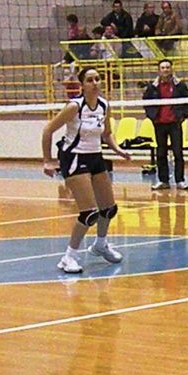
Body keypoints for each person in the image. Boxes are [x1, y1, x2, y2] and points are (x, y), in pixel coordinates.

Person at [41, 67, 129, 274]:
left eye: (97, 79)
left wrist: (118, 149)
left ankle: (100, 245)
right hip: (74, 158)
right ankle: (69, 257)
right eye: (90, 80)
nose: (95, 83)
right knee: (89, 213)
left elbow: (107, 133)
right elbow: (48, 130)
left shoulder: (104, 105)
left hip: (96, 156)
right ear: (82, 84)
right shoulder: (74, 106)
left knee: (108, 209)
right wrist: (47, 161)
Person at [143, 59, 188, 191]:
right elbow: (146, 102)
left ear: (171, 69)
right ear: (159, 70)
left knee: (178, 152)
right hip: (159, 124)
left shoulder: (179, 85)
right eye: (163, 67)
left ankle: (180, 180)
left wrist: (181, 116)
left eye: (167, 67)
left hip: (174, 124)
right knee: (161, 153)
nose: (165, 70)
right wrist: (152, 116)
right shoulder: (152, 87)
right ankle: (163, 181)